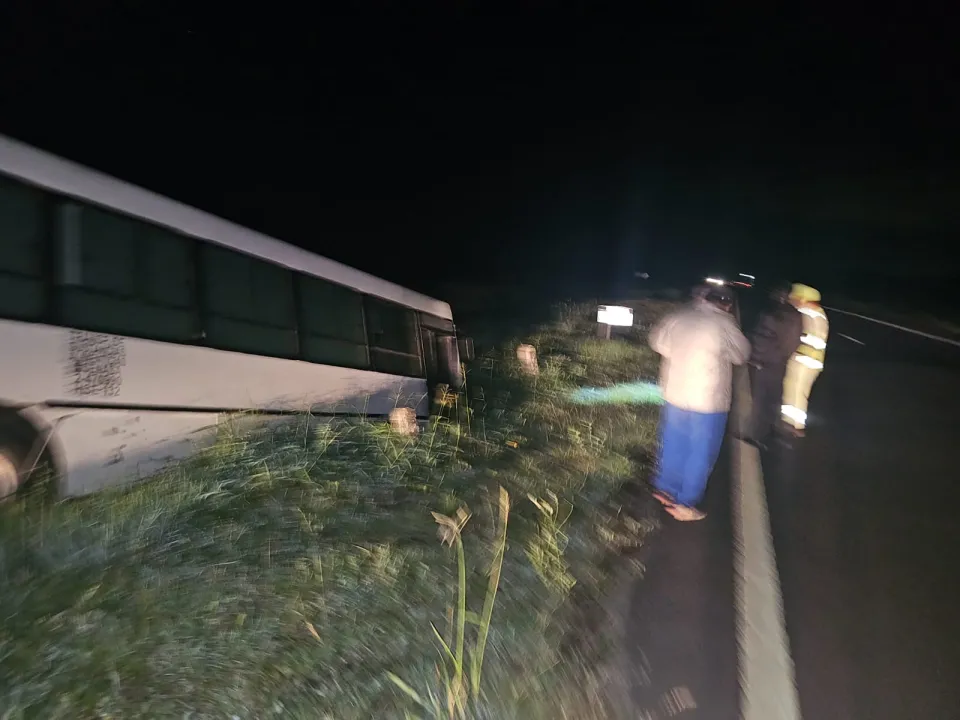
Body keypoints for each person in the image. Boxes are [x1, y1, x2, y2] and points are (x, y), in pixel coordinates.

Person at [649, 284, 751, 521]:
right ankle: (685, 503)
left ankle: (665, 489)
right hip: (707, 399)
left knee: (673, 442)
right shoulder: (724, 323)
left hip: (674, 392)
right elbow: (741, 354)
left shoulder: (679, 315)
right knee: (700, 451)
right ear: (725, 304)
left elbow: (658, 343)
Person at [743, 282, 803, 449]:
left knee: (760, 400)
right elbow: (794, 342)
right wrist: (783, 357)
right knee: (775, 398)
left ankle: (756, 434)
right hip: (780, 363)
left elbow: (759, 338)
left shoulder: (770, 313)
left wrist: (756, 358)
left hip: (765, 363)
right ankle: (774, 432)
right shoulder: (795, 315)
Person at [781, 283, 829, 437]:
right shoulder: (810, 312)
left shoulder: (812, 314)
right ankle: (789, 422)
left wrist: (797, 338)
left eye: (795, 298)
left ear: (803, 299)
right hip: (803, 358)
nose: (792, 300)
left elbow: (817, 341)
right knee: (792, 390)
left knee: (798, 392)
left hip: (807, 359)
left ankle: (796, 426)